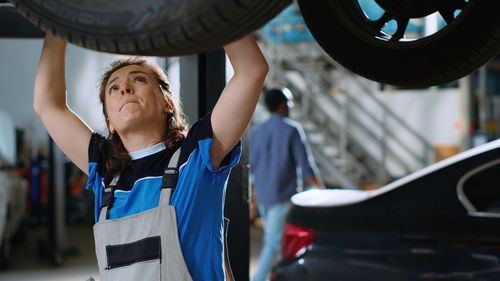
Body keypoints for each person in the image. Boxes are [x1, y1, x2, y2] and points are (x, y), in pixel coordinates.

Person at [33, 32, 268, 281]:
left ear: (167, 102)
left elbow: (252, 71)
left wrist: (217, 12)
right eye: (113, 88)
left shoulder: (196, 156)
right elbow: (48, 104)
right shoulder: (106, 171)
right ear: (109, 121)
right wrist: (56, 24)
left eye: (139, 80)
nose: (124, 88)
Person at [249, 88, 323, 281]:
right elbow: (306, 166)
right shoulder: (292, 129)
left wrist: (253, 199)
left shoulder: (257, 132)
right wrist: (322, 191)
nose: (290, 107)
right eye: (289, 103)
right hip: (283, 197)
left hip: (264, 197)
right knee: (274, 243)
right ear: (283, 106)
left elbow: (252, 169)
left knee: (278, 241)